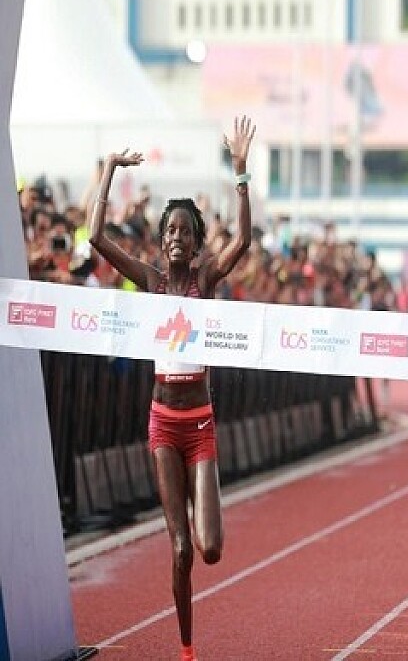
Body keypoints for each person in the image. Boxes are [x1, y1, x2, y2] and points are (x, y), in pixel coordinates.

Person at [88, 116, 256, 661]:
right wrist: (109, 169)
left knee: (210, 549)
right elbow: (95, 237)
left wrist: (241, 173)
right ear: (161, 242)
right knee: (180, 549)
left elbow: (244, 240)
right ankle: (186, 650)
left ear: (196, 242)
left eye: (185, 232)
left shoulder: (205, 281)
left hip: (200, 425)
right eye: (170, 232)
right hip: (163, 424)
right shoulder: (150, 280)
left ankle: (209, 520)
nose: (177, 239)